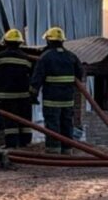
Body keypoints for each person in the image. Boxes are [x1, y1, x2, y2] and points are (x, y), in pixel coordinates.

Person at [30, 27, 83, 155]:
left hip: (51, 99)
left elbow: (37, 77)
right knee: (67, 123)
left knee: (52, 124)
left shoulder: (45, 57)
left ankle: (53, 150)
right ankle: (67, 149)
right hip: (67, 99)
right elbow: (80, 73)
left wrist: (33, 94)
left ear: (49, 41)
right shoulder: (71, 56)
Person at [0, 28, 34, 148]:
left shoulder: (0, 57)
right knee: (25, 120)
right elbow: (33, 77)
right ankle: (25, 144)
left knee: (10, 121)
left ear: (6, 42)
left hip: (6, 96)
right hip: (24, 96)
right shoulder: (26, 58)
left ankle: (11, 145)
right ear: (20, 42)